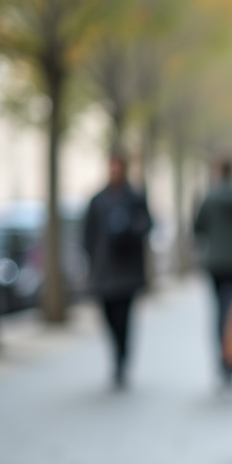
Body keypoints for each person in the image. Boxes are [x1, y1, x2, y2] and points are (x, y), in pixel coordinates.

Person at [83, 154, 152, 389]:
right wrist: (91, 260)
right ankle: (116, 351)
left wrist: (131, 229)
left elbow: (147, 226)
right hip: (104, 269)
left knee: (125, 318)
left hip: (128, 269)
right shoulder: (98, 200)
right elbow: (88, 233)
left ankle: (122, 359)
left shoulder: (135, 198)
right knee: (108, 316)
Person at [193, 153, 232, 386]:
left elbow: (198, 228)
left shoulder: (210, 198)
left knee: (220, 311)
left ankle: (223, 359)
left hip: (216, 262)